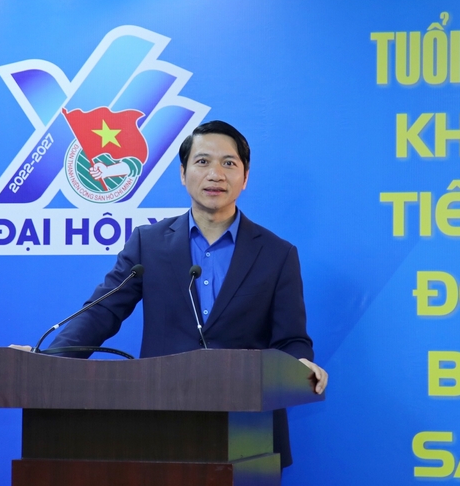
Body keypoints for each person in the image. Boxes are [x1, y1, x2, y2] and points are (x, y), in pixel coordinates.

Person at [37, 120, 327, 468]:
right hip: (160, 425)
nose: (215, 174)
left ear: (245, 177)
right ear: (183, 173)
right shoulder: (148, 244)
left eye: (229, 163)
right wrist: (45, 362)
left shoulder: (277, 254)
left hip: (250, 432)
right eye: (202, 162)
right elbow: (102, 312)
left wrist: (300, 364)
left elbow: (291, 340)